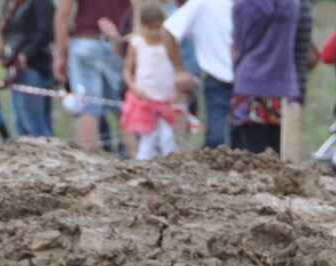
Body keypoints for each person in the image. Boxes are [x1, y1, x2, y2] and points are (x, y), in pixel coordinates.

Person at [56, 0, 134, 154]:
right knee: (124, 107)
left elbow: (63, 12)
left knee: (88, 108)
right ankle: (138, 157)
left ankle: (91, 162)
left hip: (87, 41)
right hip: (117, 42)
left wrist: (59, 53)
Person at [123, 1, 192, 158]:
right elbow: (127, 71)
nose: (154, 32)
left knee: (167, 137)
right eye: (150, 28)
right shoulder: (137, 43)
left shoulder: (170, 44)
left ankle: (170, 165)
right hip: (145, 100)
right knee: (148, 137)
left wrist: (175, 92)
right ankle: (143, 165)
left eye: (158, 27)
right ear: (143, 25)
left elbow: (177, 70)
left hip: (165, 100)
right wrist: (135, 88)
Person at [229, 0, 298, 152]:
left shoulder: (244, 4)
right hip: (284, 89)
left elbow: (241, 45)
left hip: (250, 86)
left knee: (250, 161)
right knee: (283, 162)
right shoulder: (292, 3)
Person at [167, 0, 234, 146]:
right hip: (218, 82)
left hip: (251, 84)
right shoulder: (204, 3)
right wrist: (179, 70)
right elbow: (169, 31)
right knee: (217, 139)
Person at [2, 0, 58, 138]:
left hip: (34, 67)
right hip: (19, 68)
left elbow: (45, 31)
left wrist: (25, 54)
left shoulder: (41, 2)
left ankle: (50, 157)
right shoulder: (16, 4)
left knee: (35, 128)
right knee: (22, 128)